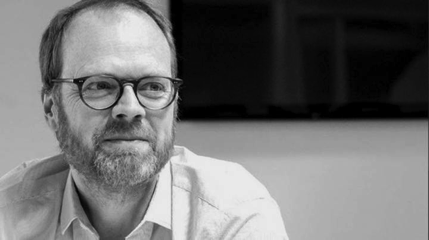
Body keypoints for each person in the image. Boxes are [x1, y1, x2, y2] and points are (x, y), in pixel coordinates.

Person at [0, 0, 288, 239]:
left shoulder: (233, 216)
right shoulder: (7, 217)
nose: (130, 108)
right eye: (100, 85)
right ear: (52, 108)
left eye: (153, 86)